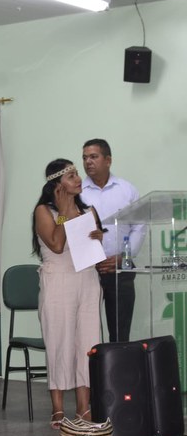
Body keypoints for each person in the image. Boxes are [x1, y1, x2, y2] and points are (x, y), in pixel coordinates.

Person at [32, 159, 103, 428]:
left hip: (86, 280)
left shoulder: (89, 210)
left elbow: (92, 251)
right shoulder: (44, 211)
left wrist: (98, 237)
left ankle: (84, 409)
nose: (78, 178)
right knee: (60, 342)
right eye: (71, 175)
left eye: (77, 174)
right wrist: (62, 212)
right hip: (58, 280)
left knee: (88, 345)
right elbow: (57, 244)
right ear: (57, 184)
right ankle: (58, 409)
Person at [80, 138, 144, 342]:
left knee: (119, 332)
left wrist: (123, 257)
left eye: (93, 157)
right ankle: (91, 373)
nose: (88, 161)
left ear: (108, 160)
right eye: (84, 158)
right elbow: (64, 222)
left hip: (120, 269)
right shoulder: (76, 191)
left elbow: (140, 226)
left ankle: (119, 373)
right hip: (88, 270)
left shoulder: (127, 189)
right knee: (87, 332)